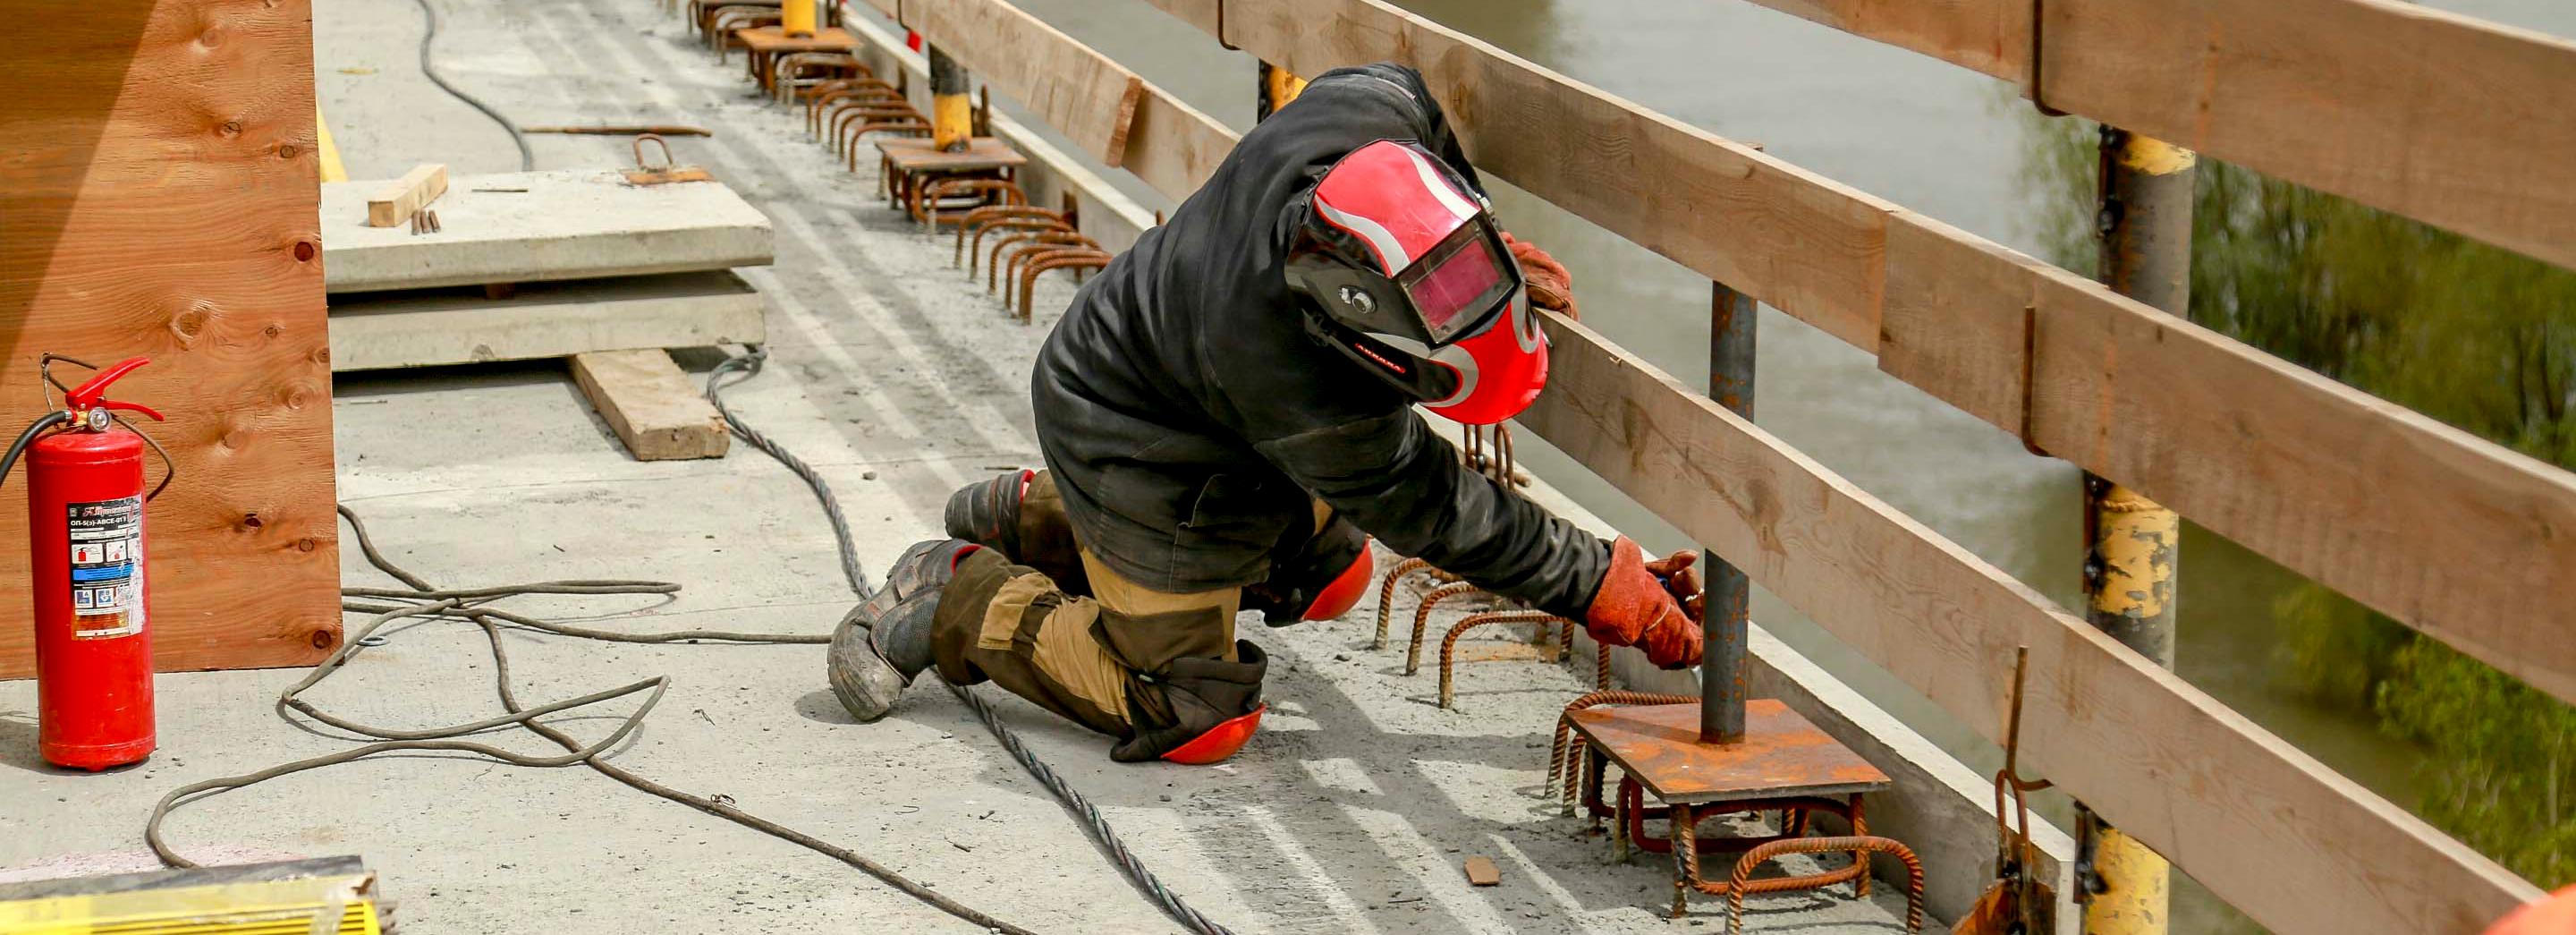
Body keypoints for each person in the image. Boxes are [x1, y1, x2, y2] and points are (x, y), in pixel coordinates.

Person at [826, 62, 1706, 764]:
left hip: (1192, 391)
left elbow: (1414, 122)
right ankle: (957, 590)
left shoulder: (1375, 106)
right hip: (1129, 434)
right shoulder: (1291, 377)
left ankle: (1048, 516)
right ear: (1353, 328)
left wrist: (1474, 244)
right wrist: (1601, 583)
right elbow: (1444, 513)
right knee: (1200, 713)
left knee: (1329, 580)